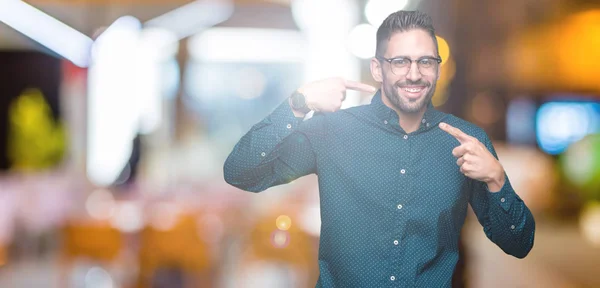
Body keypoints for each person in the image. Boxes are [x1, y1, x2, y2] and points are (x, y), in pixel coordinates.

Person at [223, 10, 535, 288]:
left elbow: (519, 244)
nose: (414, 74)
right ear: (377, 68)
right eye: (400, 61)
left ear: (438, 68)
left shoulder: (465, 141)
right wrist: (298, 104)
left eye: (426, 61)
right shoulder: (333, 130)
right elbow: (241, 172)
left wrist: (497, 181)